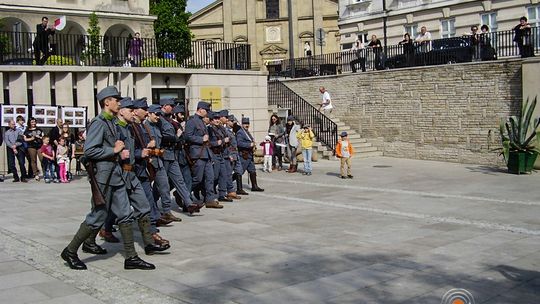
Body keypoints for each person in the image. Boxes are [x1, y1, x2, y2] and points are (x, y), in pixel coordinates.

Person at [61, 86, 157, 271]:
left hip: (116, 175)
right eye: (116, 100)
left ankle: (131, 257)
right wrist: (112, 150)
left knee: (125, 214)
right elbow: (90, 150)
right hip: (104, 177)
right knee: (98, 215)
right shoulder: (99, 122)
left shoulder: (111, 122)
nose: (118, 103)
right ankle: (70, 251)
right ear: (107, 102)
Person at [185, 102, 223, 208]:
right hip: (198, 154)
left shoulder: (201, 122)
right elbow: (187, 137)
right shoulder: (192, 121)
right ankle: (183, 194)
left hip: (206, 154)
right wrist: (201, 139)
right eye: (206, 111)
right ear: (200, 109)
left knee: (210, 177)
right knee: (197, 178)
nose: (207, 114)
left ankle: (210, 199)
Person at [236, 117, 264, 191]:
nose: (247, 125)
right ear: (242, 124)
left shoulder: (247, 132)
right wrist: (249, 145)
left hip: (249, 155)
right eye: (245, 124)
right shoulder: (240, 132)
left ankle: (254, 186)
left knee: (252, 170)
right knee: (239, 172)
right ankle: (236, 187)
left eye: (247, 123)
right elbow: (239, 143)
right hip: (244, 155)